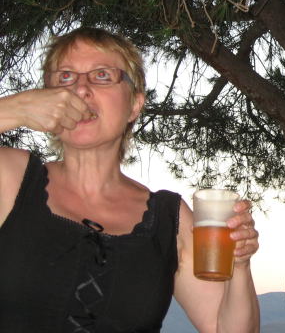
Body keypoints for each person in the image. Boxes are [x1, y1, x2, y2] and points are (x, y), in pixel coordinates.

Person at [0, 27, 260, 332]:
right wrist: (14, 109)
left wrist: (238, 264)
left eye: (102, 75)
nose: (80, 89)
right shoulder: (13, 179)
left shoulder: (169, 219)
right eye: (65, 77)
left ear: (134, 105)